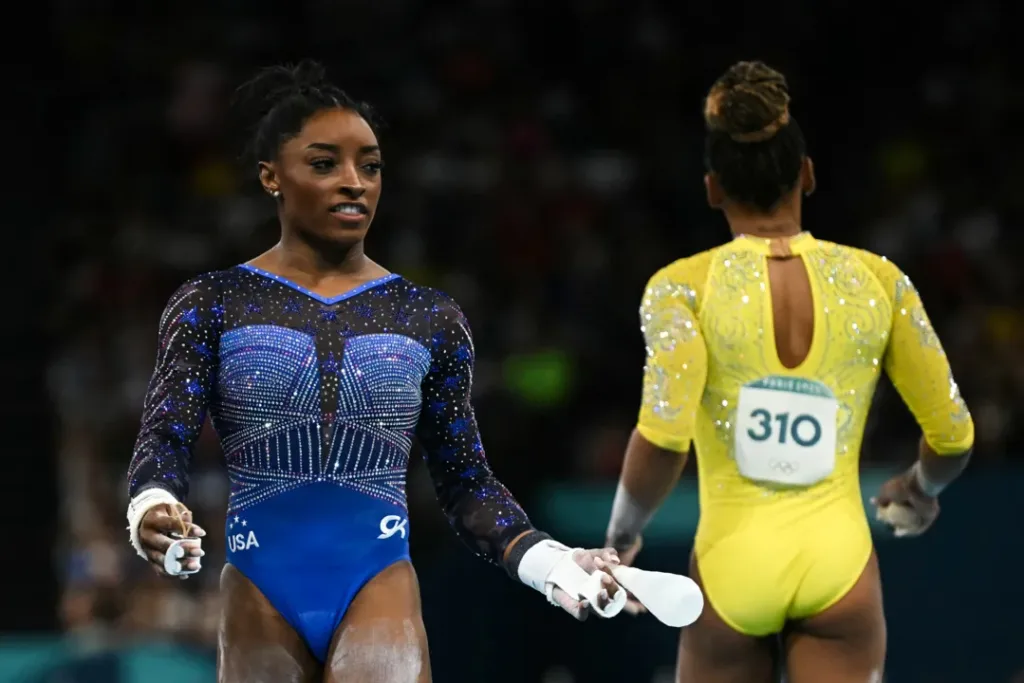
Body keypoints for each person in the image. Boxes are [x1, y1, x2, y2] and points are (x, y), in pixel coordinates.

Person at [124, 61, 623, 683]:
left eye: (371, 165)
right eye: (325, 163)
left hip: (376, 577)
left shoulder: (427, 317)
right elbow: (163, 437)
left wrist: (549, 562)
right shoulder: (212, 303)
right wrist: (153, 504)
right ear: (271, 178)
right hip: (258, 587)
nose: (354, 182)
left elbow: (465, 481)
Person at [603, 61, 974, 683]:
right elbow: (954, 436)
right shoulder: (878, 281)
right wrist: (920, 488)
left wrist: (620, 539)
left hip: (731, 567)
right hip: (840, 562)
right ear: (806, 174)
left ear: (713, 187)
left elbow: (663, 438)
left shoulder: (681, 288)